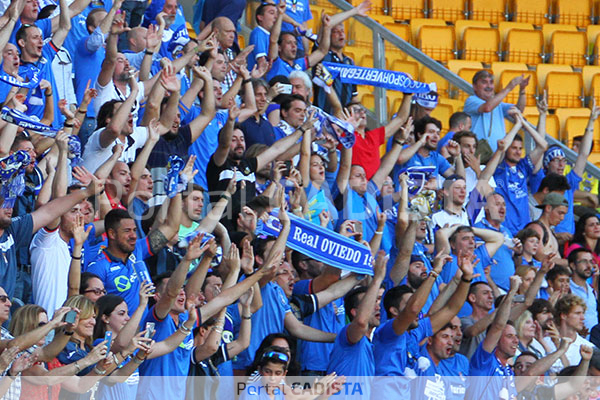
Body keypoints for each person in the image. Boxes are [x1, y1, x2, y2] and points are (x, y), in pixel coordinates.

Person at [466, 275, 521, 400]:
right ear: (496, 340)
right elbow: (498, 326)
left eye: (516, 336)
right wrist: (511, 292)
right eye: (509, 336)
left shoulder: (508, 371)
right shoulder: (484, 361)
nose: (515, 340)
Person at [463, 69, 529, 152]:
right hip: (477, 154)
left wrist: (522, 90)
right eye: (484, 82)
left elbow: (519, 109)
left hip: (497, 156)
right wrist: (509, 87)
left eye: (491, 82)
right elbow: (487, 108)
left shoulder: (498, 104)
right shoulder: (471, 100)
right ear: (474, 86)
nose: (489, 86)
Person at [567, 248, 598, 332]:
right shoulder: (567, 289)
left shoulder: (592, 290)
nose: (589, 266)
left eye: (591, 261)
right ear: (573, 265)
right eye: (584, 261)